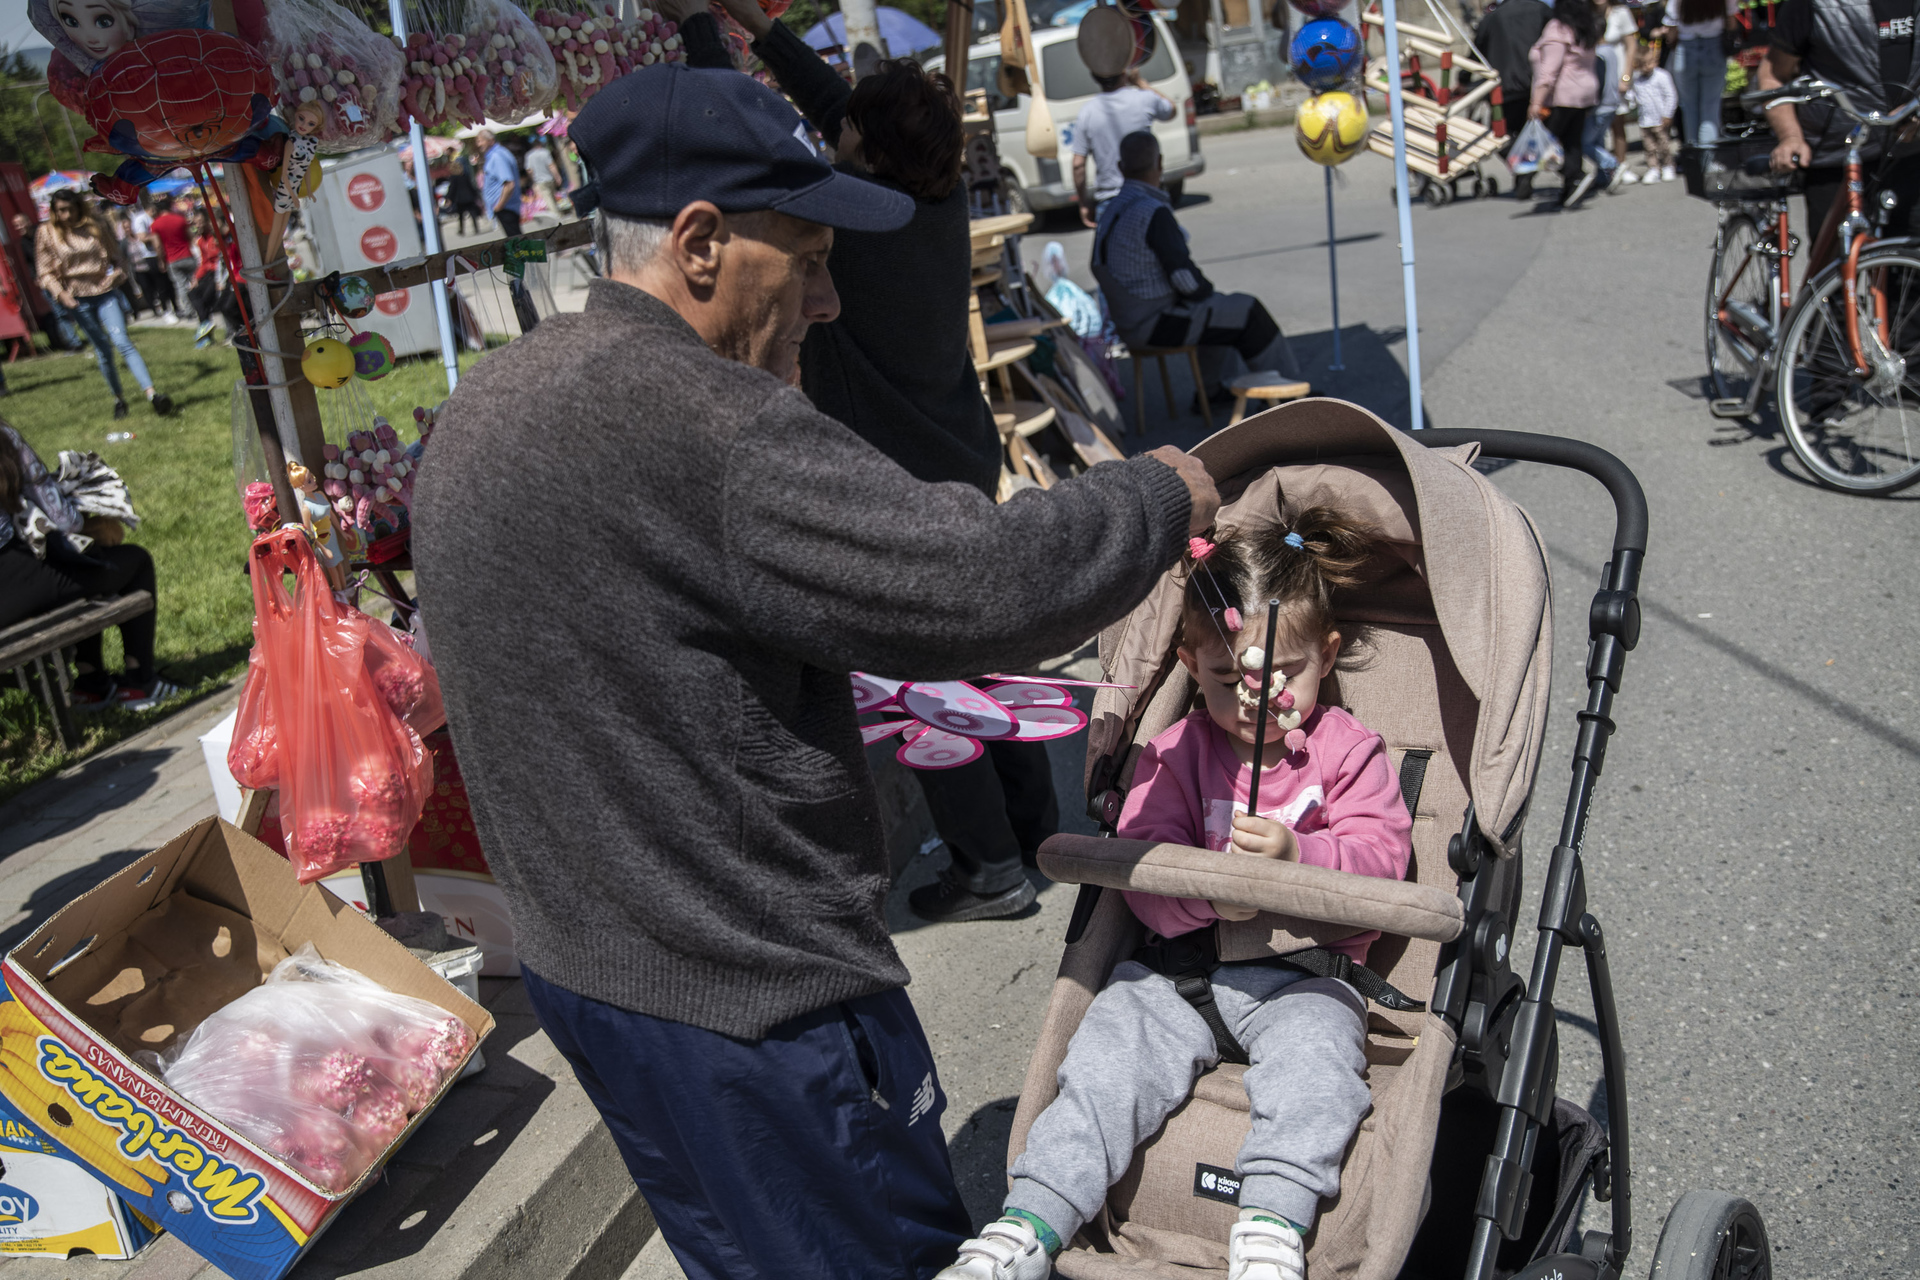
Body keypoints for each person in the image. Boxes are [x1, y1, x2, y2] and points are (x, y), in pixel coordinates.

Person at [411, 61, 1220, 1280]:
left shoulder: (491, 397)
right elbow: (985, 583)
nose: (831, 301)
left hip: (595, 974)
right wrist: (1163, 492)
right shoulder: (711, 424)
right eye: (809, 260)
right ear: (699, 244)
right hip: (754, 1003)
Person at [935, 513, 1413, 1280]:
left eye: (1285, 674)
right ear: (1191, 663)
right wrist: (1207, 894)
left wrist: (1299, 855)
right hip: (1180, 972)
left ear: (1325, 656)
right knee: (1105, 1059)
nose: (1258, 701)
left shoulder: (1347, 752)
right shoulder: (1175, 753)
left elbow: (1384, 862)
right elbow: (1144, 872)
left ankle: (1271, 1226)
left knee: (1318, 1069)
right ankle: (1029, 1222)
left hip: (1305, 975)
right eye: (1228, 682)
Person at [678, 0, 1068, 921]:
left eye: (849, 133)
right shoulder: (937, 196)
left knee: (926, 678)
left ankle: (990, 872)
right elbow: (842, 107)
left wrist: (700, 27)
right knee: (985, 647)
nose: (836, 129)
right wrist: (758, 25)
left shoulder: (851, 230)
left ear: (868, 156)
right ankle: (1036, 832)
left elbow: (752, 134)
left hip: (892, 481)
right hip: (961, 456)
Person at [1092, 132, 1302, 403]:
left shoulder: (1111, 210)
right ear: (1160, 163)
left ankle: (1213, 391)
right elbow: (1186, 280)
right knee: (1247, 312)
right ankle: (1288, 397)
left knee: (1219, 312)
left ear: (1121, 167)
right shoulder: (1151, 211)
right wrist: (1206, 293)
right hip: (1154, 323)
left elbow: (1096, 264)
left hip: (1127, 321)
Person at [0, 422, 176, 710]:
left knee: (77, 566)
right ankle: (139, 682)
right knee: (133, 561)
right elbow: (65, 520)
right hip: (14, 577)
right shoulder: (4, 438)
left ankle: (93, 683)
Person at [1761, 0, 1920, 243]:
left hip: (1910, 154)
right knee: (1838, 259)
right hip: (1836, 157)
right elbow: (1773, 75)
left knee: (1909, 259)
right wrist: (1790, 137)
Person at [36, 190, 172, 419]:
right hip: (76, 298)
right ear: (54, 211)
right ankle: (119, 399)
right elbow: (45, 272)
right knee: (103, 350)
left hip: (105, 293)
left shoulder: (95, 226)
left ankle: (153, 395)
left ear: (79, 207)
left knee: (122, 341)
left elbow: (118, 258)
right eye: (60, 211)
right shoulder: (47, 232)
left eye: (70, 209)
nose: (66, 215)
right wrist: (60, 294)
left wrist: (115, 275)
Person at [1072, 67, 1176, 227]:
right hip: (1147, 194)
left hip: (1109, 200)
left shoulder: (1087, 112)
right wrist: (1140, 82)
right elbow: (1171, 110)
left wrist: (1084, 203)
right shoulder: (1145, 99)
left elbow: (1078, 165)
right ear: (1124, 73)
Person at [1528, 0, 1605, 209]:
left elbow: (1549, 71)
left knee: (1545, 144)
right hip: (1584, 92)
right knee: (1572, 142)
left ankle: (1575, 176)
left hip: (1562, 94)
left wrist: (1536, 102)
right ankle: (1571, 188)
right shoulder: (1585, 26)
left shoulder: (1558, 28)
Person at [1476, 0, 1554, 199]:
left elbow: (1476, 51)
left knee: (1498, 136)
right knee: (1537, 132)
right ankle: (1525, 171)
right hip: (1536, 84)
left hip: (1505, 88)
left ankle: (1523, 170)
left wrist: (1463, 79)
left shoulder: (1492, 17)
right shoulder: (1542, 10)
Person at [1660, 0, 1737, 146]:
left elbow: (1671, 29)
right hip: (1714, 48)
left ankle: (1694, 153)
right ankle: (1708, 154)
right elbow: (1732, 22)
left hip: (1685, 50)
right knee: (1710, 107)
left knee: (1689, 108)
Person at [1585, 19, 1628, 190]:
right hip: (1612, 103)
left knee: (1585, 143)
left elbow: (1599, 82)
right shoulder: (1610, 50)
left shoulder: (1599, 54)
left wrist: (1590, 103)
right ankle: (1602, 177)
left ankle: (1613, 164)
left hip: (1601, 106)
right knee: (1598, 141)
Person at [1631, 40, 1679, 181]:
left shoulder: (1662, 76)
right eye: (1643, 64)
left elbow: (1671, 95)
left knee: (1664, 145)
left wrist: (1668, 114)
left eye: (1650, 62)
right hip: (1645, 120)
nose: (1648, 67)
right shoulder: (1637, 80)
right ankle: (1653, 168)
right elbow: (1634, 96)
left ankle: (1668, 166)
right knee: (1649, 147)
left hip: (1660, 119)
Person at [149, 194, 194, 323]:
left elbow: (158, 246)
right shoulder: (180, 219)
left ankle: (189, 311)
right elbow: (190, 236)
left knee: (181, 287)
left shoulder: (155, 224)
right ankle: (202, 306)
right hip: (187, 254)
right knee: (195, 281)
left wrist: (161, 261)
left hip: (172, 259)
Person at [476, 129, 522, 236]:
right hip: (506, 207)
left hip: (506, 207)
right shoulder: (497, 154)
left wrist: (499, 206)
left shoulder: (497, 156)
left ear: (491, 140)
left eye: (481, 141)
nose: (478, 144)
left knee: (516, 240)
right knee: (515, 239)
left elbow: (509, 184)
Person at [523, 137, 569, 219]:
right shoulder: (545, 152)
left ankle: (556, 215)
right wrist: (557, 176)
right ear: (540, 144)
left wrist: (533, 180)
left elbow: (529, 170)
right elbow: (551, 166)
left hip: (539, 180)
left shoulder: (529, 155)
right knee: (553, 196)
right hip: (550, 178)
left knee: (548, 199)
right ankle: (558, 213)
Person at [446, 147, 485, 235]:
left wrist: (449, 198)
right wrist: (475, 194)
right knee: (472, 213)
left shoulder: (453, 178)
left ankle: (461, 229)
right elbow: (470, 186)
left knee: (460, 215)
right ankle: (476, 228)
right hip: (468, 196)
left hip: (459, 198)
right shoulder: (465, 176)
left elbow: (452, 188)